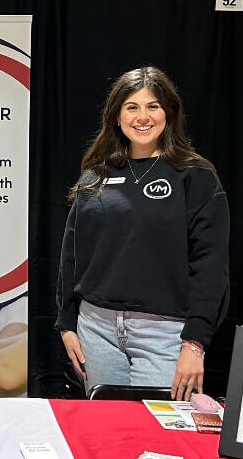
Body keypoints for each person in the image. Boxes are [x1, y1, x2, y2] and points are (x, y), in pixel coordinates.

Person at [56, 66, 230, 402]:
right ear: (117, 115)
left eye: (153, 106)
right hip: (96, 328)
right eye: (132, 107)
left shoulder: (195, 176)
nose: (143, 117)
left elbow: (211, 266)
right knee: (107, 427)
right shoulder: (96, 175)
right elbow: (71, 253)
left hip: (165, 334)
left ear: (169, 112)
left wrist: (195, 343)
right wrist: (66, 323)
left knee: (157, 430)